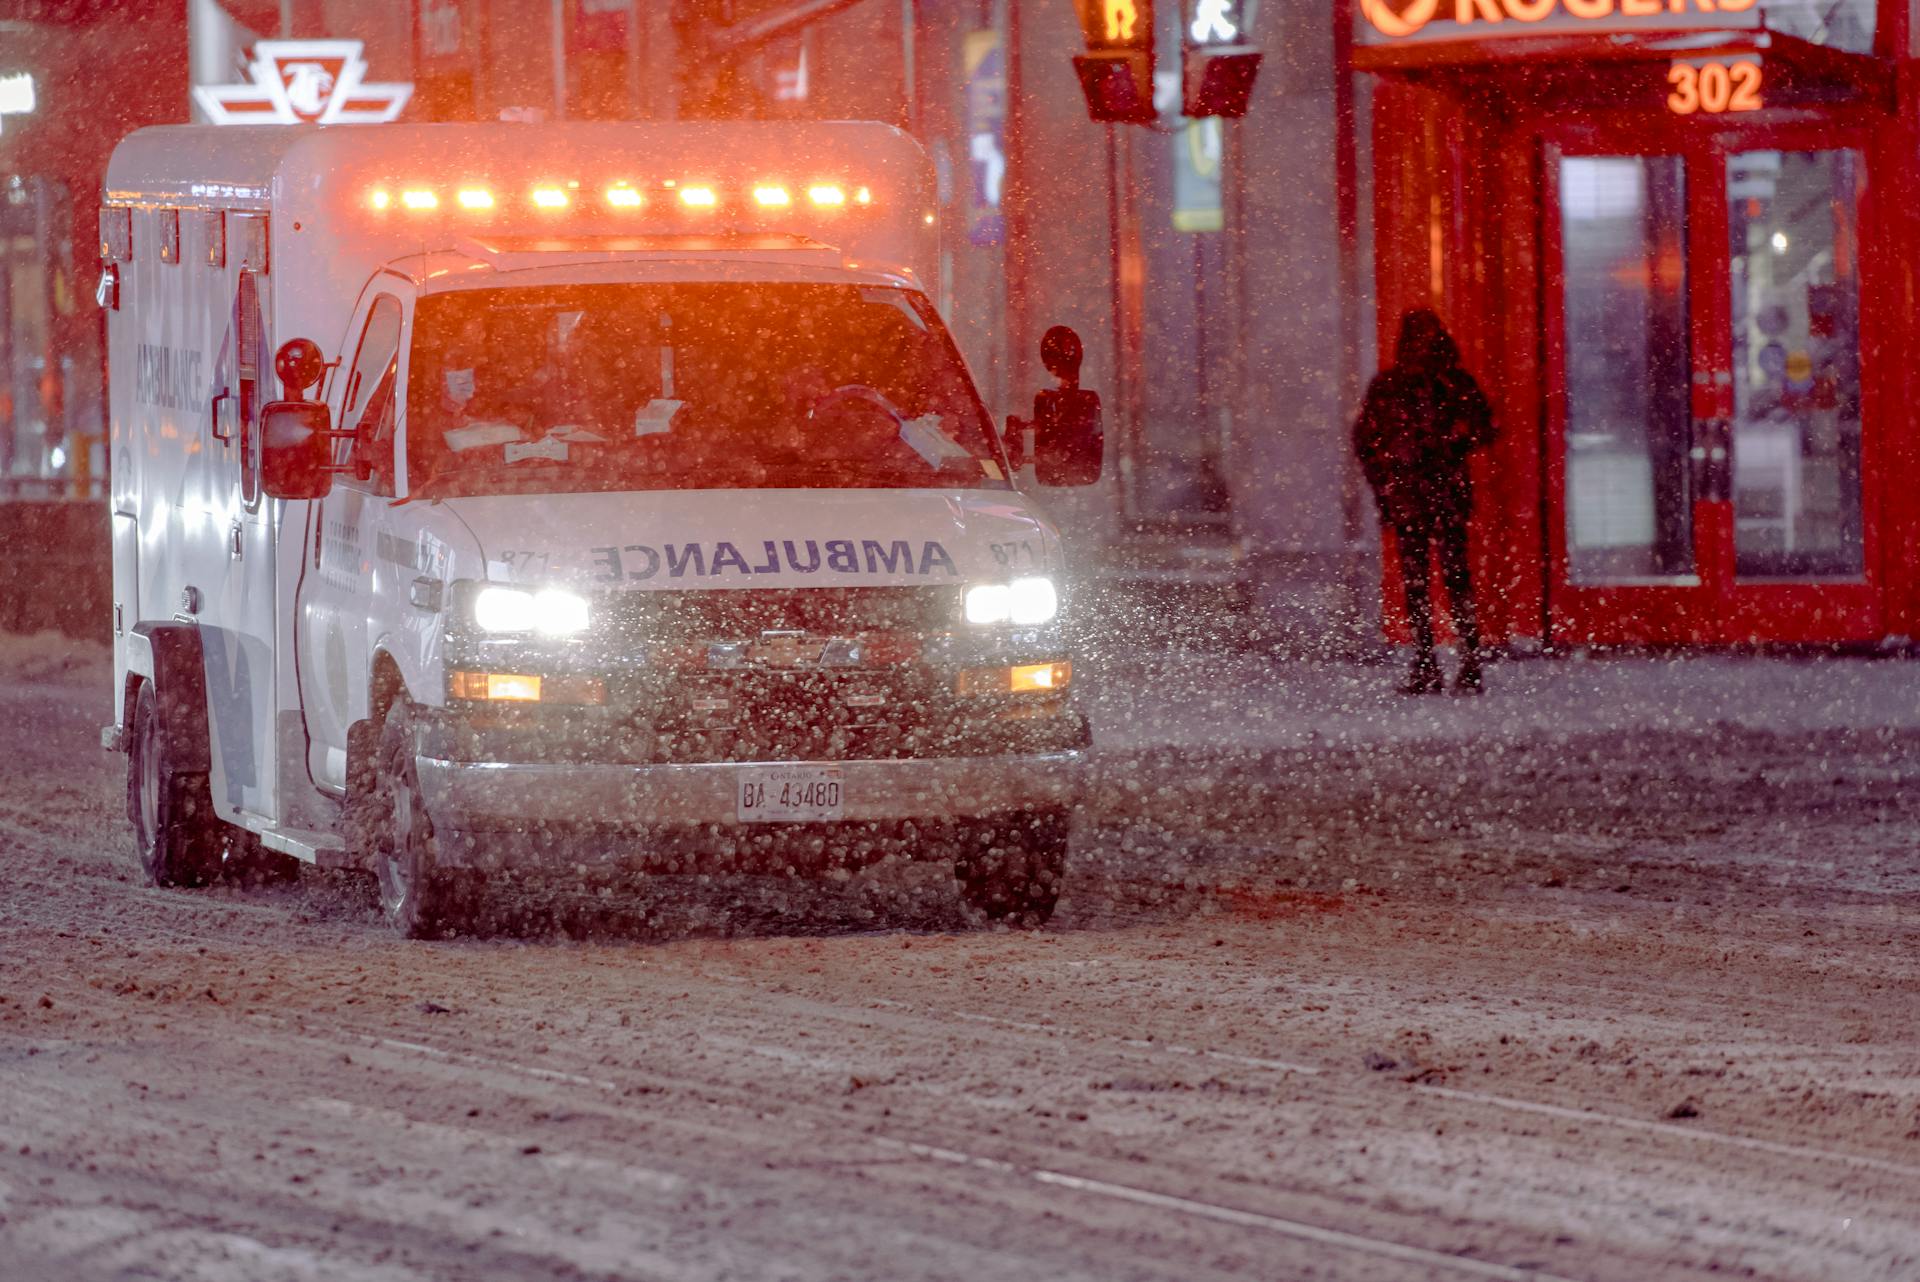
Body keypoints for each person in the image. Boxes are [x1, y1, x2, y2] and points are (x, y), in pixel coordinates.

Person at [1354, 309, 1497, 694]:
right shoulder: (1444, 383)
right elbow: (1366, 440)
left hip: (1417, 493)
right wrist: (1451, 443)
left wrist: (1388, 477)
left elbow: (1365, 441)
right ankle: (1457, 663)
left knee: (1427, 582)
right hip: (1429, 492)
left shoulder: (1403, 385)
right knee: (1447, 580)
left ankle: (1436, 664)